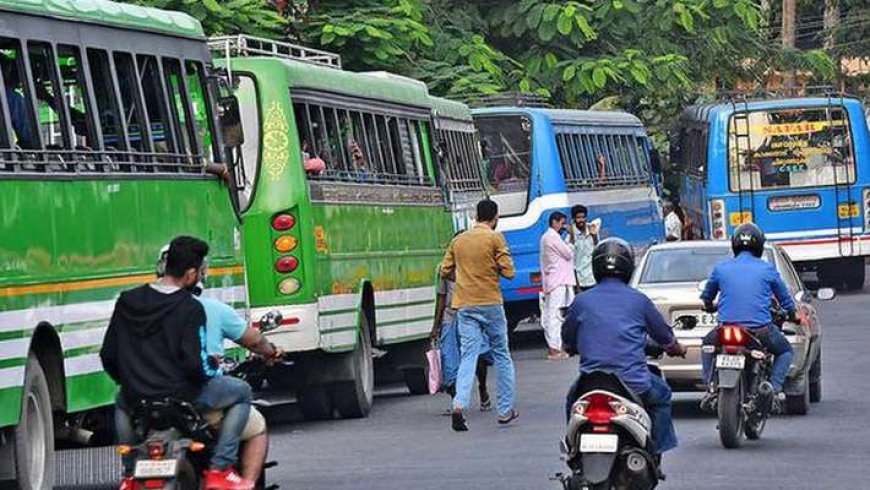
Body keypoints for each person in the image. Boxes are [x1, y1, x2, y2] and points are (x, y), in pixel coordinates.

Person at [100, 237, 255, 490]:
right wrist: (213, 366)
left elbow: (108, 354)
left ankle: (129, 473)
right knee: (242, 392)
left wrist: (130, 381)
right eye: (200, 271)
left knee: (120, 401)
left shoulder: (127, 301)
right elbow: (196, 365)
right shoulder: (190, 308)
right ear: (191, 273)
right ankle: (220, 468)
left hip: (138, 396)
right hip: (184, 396)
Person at [154, 246, 282, 483]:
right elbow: (254, 341)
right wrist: (271, 351)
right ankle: (236, 479)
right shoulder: (212, 309)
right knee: (255, 424)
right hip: (197, 400)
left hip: (151, 401)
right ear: (197, 273)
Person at [561, 238, 687, 458]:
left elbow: (567, 337)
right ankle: (655, 452)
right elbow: (665, 337)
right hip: (634, 384)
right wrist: (677, 348)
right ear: (628, 267)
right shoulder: (639, 300)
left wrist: (572, 346)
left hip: (591, 383)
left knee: (572, 402)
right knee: (663, 395)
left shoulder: (581, 301)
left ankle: (573, 450)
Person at [699, 223, 798, 410]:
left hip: (725, 329)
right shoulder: (767, 269)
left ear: (734, 244)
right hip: (760, 331)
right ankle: (774, 390)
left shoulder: (721, 268)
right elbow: (786, 299)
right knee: (785, 351)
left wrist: (709, 306)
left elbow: (706, 298)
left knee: (707, 345)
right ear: (759, 245)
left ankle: (710, 387)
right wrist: (793, 314)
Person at [440, 199, 518, 431]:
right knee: (502, 355)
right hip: (491, 302)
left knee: (468, 355)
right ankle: (505, 410)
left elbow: (444, 270)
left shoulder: (459, 240)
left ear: (475, 216)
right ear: (495, 217)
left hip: (465, 305)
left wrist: (464, 280)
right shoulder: (495, 238)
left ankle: (459, 404)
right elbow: (510, 272)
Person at [430, 264, 493, 412]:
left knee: (479, 356)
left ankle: (482, 389)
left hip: (472, 315)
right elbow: (441, 297)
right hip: (450, 317)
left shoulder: (475, 262)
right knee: (449, 360)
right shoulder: (443, 268)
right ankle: (456, 402)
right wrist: (436, 326)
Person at [539, 211, 575, 360]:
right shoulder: (552, 237)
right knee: (555, 316)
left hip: (554, 280)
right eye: (561, 223)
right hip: (558, 281)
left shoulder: (548, 237)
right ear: (554, 222)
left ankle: (555, 346)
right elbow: (568, 253)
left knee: (550, 315)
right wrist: (572, 237)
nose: (563, 226)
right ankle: (554, 348)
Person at [570, 205, 598, 292]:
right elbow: (571, 263)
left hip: (593, 279)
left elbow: (597, 250)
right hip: (580, 282)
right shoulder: (570, 235)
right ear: (574, 219)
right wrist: (577, 287)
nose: (581, 220)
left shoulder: (591, 229)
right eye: (578, 217)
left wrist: (594, 236)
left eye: (583, 217)